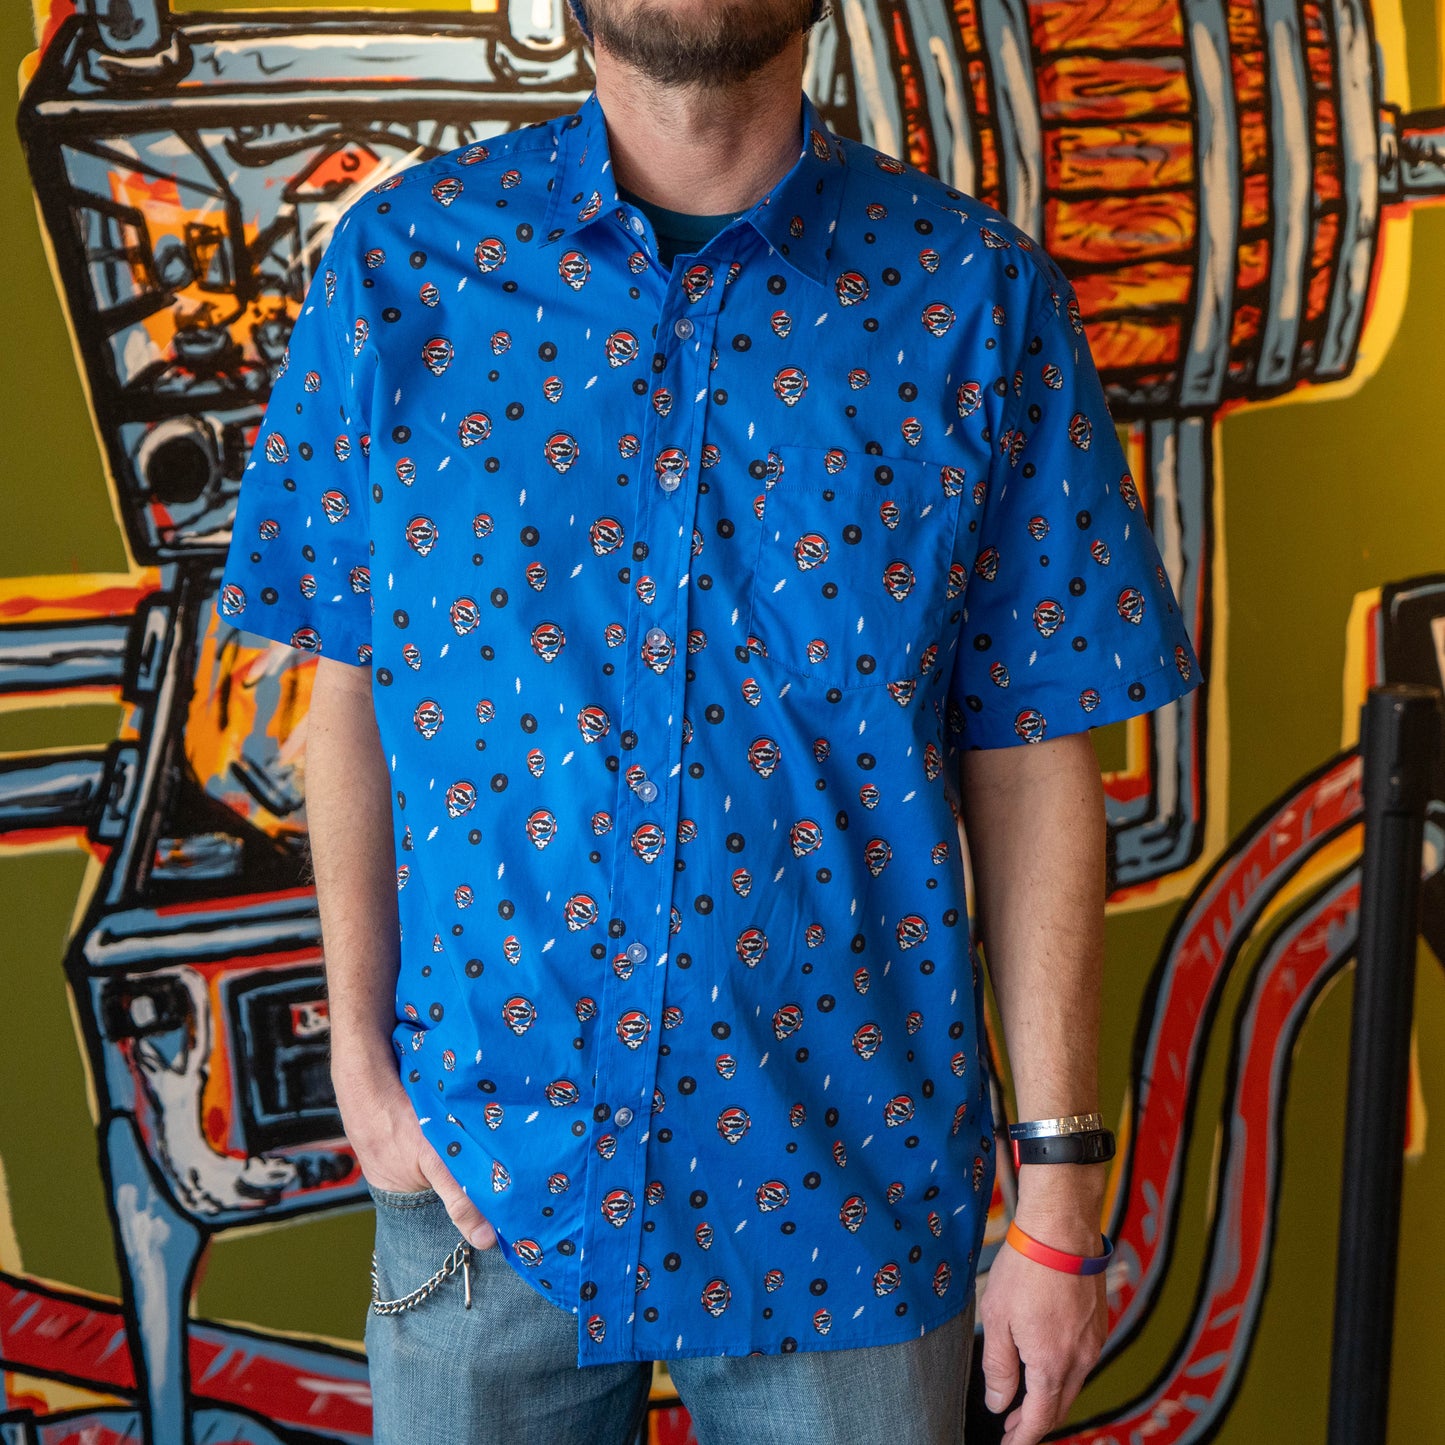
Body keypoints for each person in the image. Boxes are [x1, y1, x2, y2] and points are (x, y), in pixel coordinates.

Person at [215, 2, 1202, 1441]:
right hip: (481, 1184)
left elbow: (1034, 760)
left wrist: (1057, 1195)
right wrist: (365, 1078)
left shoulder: (977, 298)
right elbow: (351, 690)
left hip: (847, 1202)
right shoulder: (400, 269)